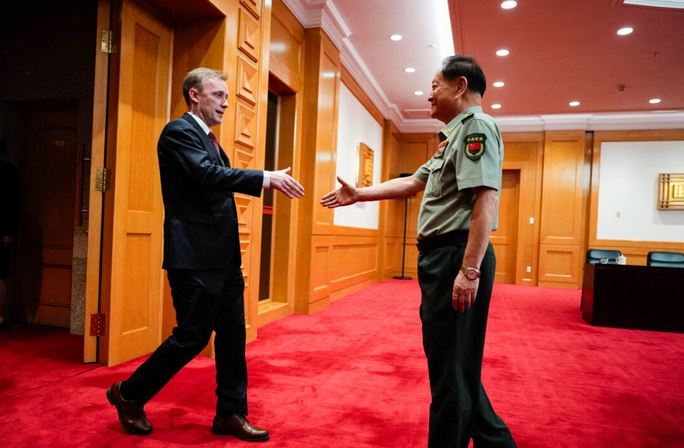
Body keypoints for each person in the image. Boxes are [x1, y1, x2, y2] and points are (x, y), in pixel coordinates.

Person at [321, 56, 517, 448]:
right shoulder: (453, 137)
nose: (428, 94)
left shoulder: (477, 127)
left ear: (459, 86)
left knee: (450, 369)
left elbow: (485, 198)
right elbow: (413, 181)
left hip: (455, 257)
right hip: (441, 257)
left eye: (435, 86)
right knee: (453, 365)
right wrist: (360, 193)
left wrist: (470, 270)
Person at [106, 67, 304, 440]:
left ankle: (230, 414)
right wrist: (264, 176)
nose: (227, 103)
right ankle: (128, 394)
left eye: (228, 97)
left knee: (232, 335)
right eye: (218, 95)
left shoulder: (209, 139)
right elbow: (207, 176)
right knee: (192, 337)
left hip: (223, 259)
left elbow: (214, 181)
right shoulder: (178, 132)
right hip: (194, 257)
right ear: (195, 95)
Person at [0, 141, 20, 328]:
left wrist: (8, 231)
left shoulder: (8, 172)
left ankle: (0, 316)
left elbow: (11, 204)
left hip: (2, 229)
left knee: (0, 274)